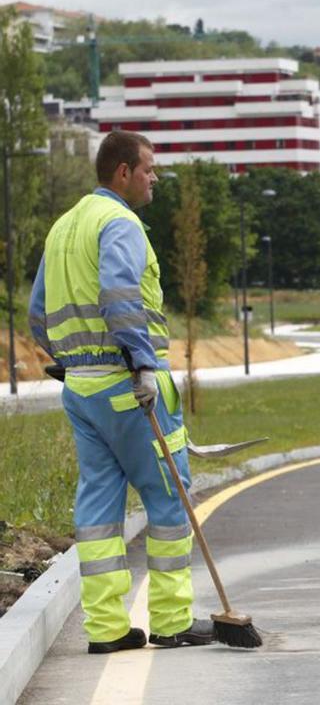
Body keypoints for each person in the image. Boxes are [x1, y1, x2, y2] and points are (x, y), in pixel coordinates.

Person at [27, 131, 212, 654]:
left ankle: (107, 629)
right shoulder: (120, 223)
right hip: (130, 387)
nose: (155, 178)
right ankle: (172, 620)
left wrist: (71, 360)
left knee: (99, 506)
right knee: (169, 495)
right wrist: (142, 364)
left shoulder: (64, 227)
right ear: (123, 172)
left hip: (82, 390)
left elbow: (38, 313)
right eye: (148, 169)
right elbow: (119, 296)